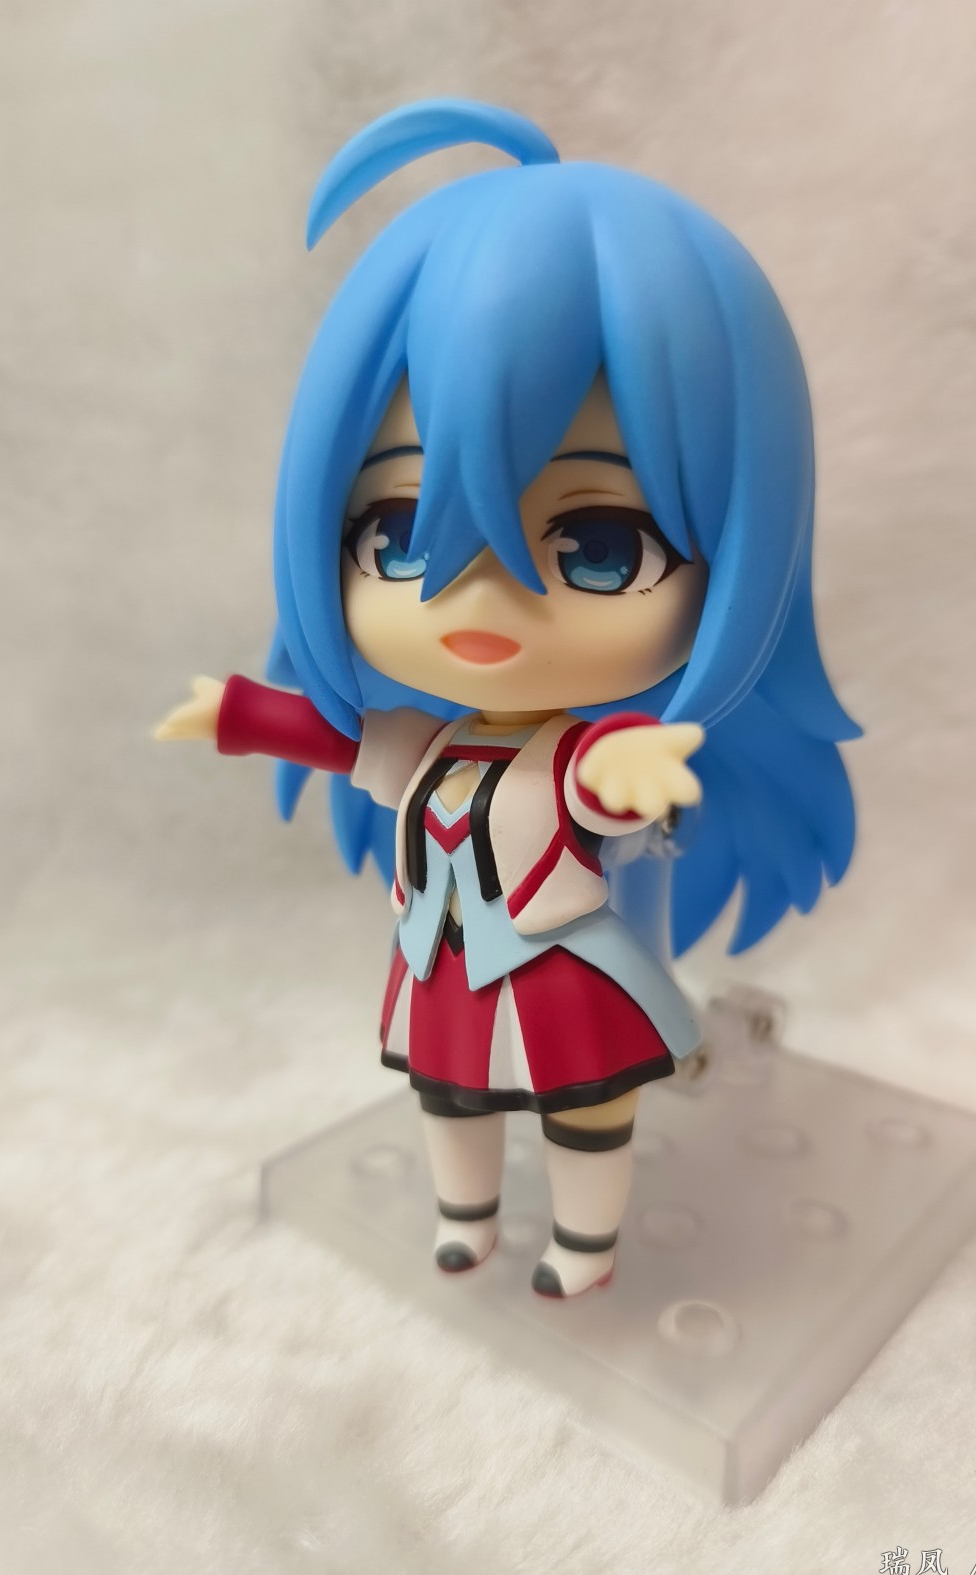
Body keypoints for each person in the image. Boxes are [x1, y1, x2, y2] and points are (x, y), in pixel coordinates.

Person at [156, 99, 859, 1299]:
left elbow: (601, 779)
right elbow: (342, 742)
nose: (478, 594)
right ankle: (465, 1218)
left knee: (587, 1112)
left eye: (598, 547)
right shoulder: (430, 746)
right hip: (446, 973)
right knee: (450, 1096)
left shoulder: (570, 757)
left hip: (560, 972)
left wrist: (632, 761)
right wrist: (240, 715)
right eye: (397, 532)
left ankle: (583, 1244)